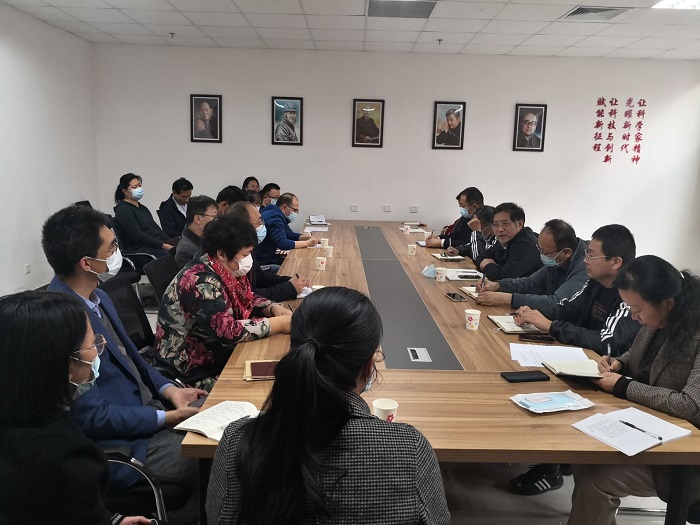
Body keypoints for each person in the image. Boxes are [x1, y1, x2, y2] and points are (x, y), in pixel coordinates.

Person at [206, 286, 450, 525]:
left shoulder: (237, 441)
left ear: (293, 350)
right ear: (368, 366)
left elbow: (218, 516)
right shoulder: (410, 449)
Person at [42, 205, 204, 522]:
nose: (119, 252)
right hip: (125, 446)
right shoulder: (60, 320)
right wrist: (164, 418)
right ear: (87, 263)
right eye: (113, 247)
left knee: (234, 426)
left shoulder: (98, 297)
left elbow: (134, 359)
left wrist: (169, 390)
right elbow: (92, 417)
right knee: (225, 452)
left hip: (150, 413)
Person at [510, 224, 641, 496]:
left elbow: (607, 341)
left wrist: (551, 326)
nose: (584, 260)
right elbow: (567, 309)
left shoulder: (629, 295)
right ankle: (557, 457)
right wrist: (536, 314)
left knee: (548, 385)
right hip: (585, 359)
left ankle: (551, 468)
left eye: (591, 254)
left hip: (612, 372)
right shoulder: (595, 282)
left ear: (616, 262)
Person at [0, 290, 152, 525]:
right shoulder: (63, 458)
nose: (97, 352)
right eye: (93, 344)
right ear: (65, 366)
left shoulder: (20, 421)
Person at [568, 255, 700, 525]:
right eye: (628, 307)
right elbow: (640, 356)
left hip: (686, 454)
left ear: (668, 303)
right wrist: (619, 362)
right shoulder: (659, 318)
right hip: (649, 426)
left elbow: (690, 404)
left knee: (597, 478)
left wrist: (623, 385)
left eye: (637, 309)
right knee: (583, 456)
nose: (632, 316)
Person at [156, 215, 293, 392]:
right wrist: (278, 324)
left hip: (216, 352)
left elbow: (247, 298)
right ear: (221, 254)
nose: (248, 260)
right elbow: (227, 331)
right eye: (245, 255)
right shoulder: (199, 281)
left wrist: (272, 307)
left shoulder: (225, 269)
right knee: (267, 388)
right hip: (191, 365)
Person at [476, 219, 588, 310]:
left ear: (566, 253)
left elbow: (556, 302)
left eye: (545, 252)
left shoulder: (586, 266)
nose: (541, 255)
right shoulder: (557, 258)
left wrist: (507, 299)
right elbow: (531, 283)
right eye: (539, 249)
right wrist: (498, 285)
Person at [227, 201, 309, 301]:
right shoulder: (229, 252)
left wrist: (289, 281)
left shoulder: (249, 247)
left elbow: (259, 276)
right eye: (259, 222)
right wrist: (289, 288)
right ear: (243, 225)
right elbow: (246, 297)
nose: (262, 225)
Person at [475, 202, 542, 280]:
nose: (500, 229)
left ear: (520, 224)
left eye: (505, 224)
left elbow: (505, 276)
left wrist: (487, 266)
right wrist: (493, 267)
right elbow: (480, 258)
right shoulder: (505, 238)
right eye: (495, 225)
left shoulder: (526, 244)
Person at [113, 173, 173, 258]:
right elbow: (137, 235)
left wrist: (171, 242)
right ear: (125, 191)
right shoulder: (123, 210)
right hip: (144, 251)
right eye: (134, 187)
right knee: (172, 259)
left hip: (156, 246)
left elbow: (156, 229)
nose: (138, 189)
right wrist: (163, 245)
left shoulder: (143, 208)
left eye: (139, 185)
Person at [255, 192, 317, 265]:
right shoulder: (275, 218)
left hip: (268, 255)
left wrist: (307, 238)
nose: (295, 213)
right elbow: (282, 243)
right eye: (294, 210)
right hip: (264, 260)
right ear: (285, 207)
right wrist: (307, 243)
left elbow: (289, 234)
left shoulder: (275, 212)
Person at [175, 195, 217, 268]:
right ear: (198, 218)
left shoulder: (209, 237)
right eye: (213, 217)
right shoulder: (185, 252)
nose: (216, 221)